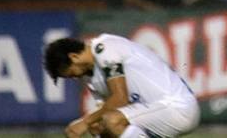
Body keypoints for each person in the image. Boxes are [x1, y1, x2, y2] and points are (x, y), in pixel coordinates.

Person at [44, 35, 199, 138]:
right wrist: (91, 125)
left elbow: (120, 99)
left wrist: (84, 122)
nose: (71, 77)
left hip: (177, 107)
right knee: (99, 126)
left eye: (68, 72)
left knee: (112, 120)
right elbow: (103, 116)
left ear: (74, 56)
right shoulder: (93, 79)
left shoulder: (104, 48)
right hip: (159, 110)